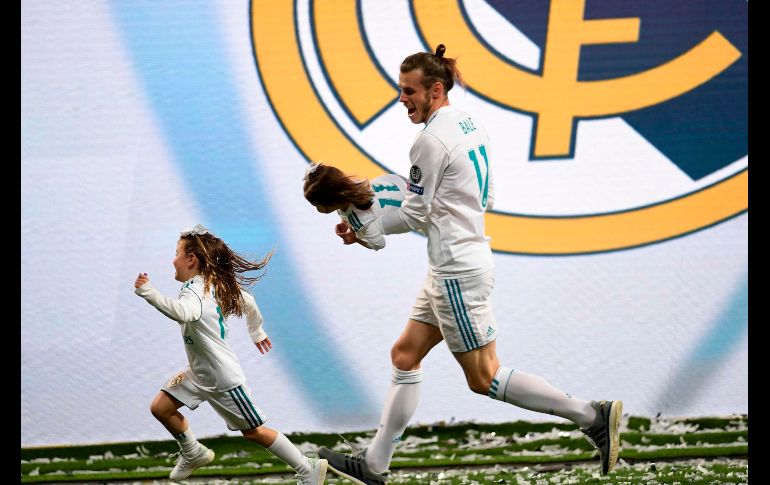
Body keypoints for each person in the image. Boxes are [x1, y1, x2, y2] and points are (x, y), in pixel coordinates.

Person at [316, 45, 622, 484]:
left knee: (484, 377)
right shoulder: (468, 123)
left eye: (409, 91)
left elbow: (416, 215)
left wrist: (365, 229)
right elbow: (485, 196)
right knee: (405, 354)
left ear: (435, 89)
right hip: (457, 263)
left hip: (455, 272)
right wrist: (378, 214)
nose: (402, 99)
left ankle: (590, 415)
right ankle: (375, 465)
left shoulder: (428, 140)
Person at [134, 224, 328, 484]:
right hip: (200, 373)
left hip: (223, 379)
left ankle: (307, 468)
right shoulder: (210, 285)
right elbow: (247, 300)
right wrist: (257, 331)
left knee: (254, 432)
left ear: (191, 259)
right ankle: (193, 452)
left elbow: (183, 313)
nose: (173, 259)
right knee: (161, 407)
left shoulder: (195, 293)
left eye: (176, 252)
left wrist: (148, 292)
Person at [303, 162, 423, 250]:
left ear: (331, 201)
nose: (317, 209)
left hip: (418, 211)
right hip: (402, 184)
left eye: (316, 205)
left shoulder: (361, 221)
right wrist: (345, 222)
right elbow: (346, 210)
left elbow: (378, 244)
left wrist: (355, 238)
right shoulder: (350, 187)